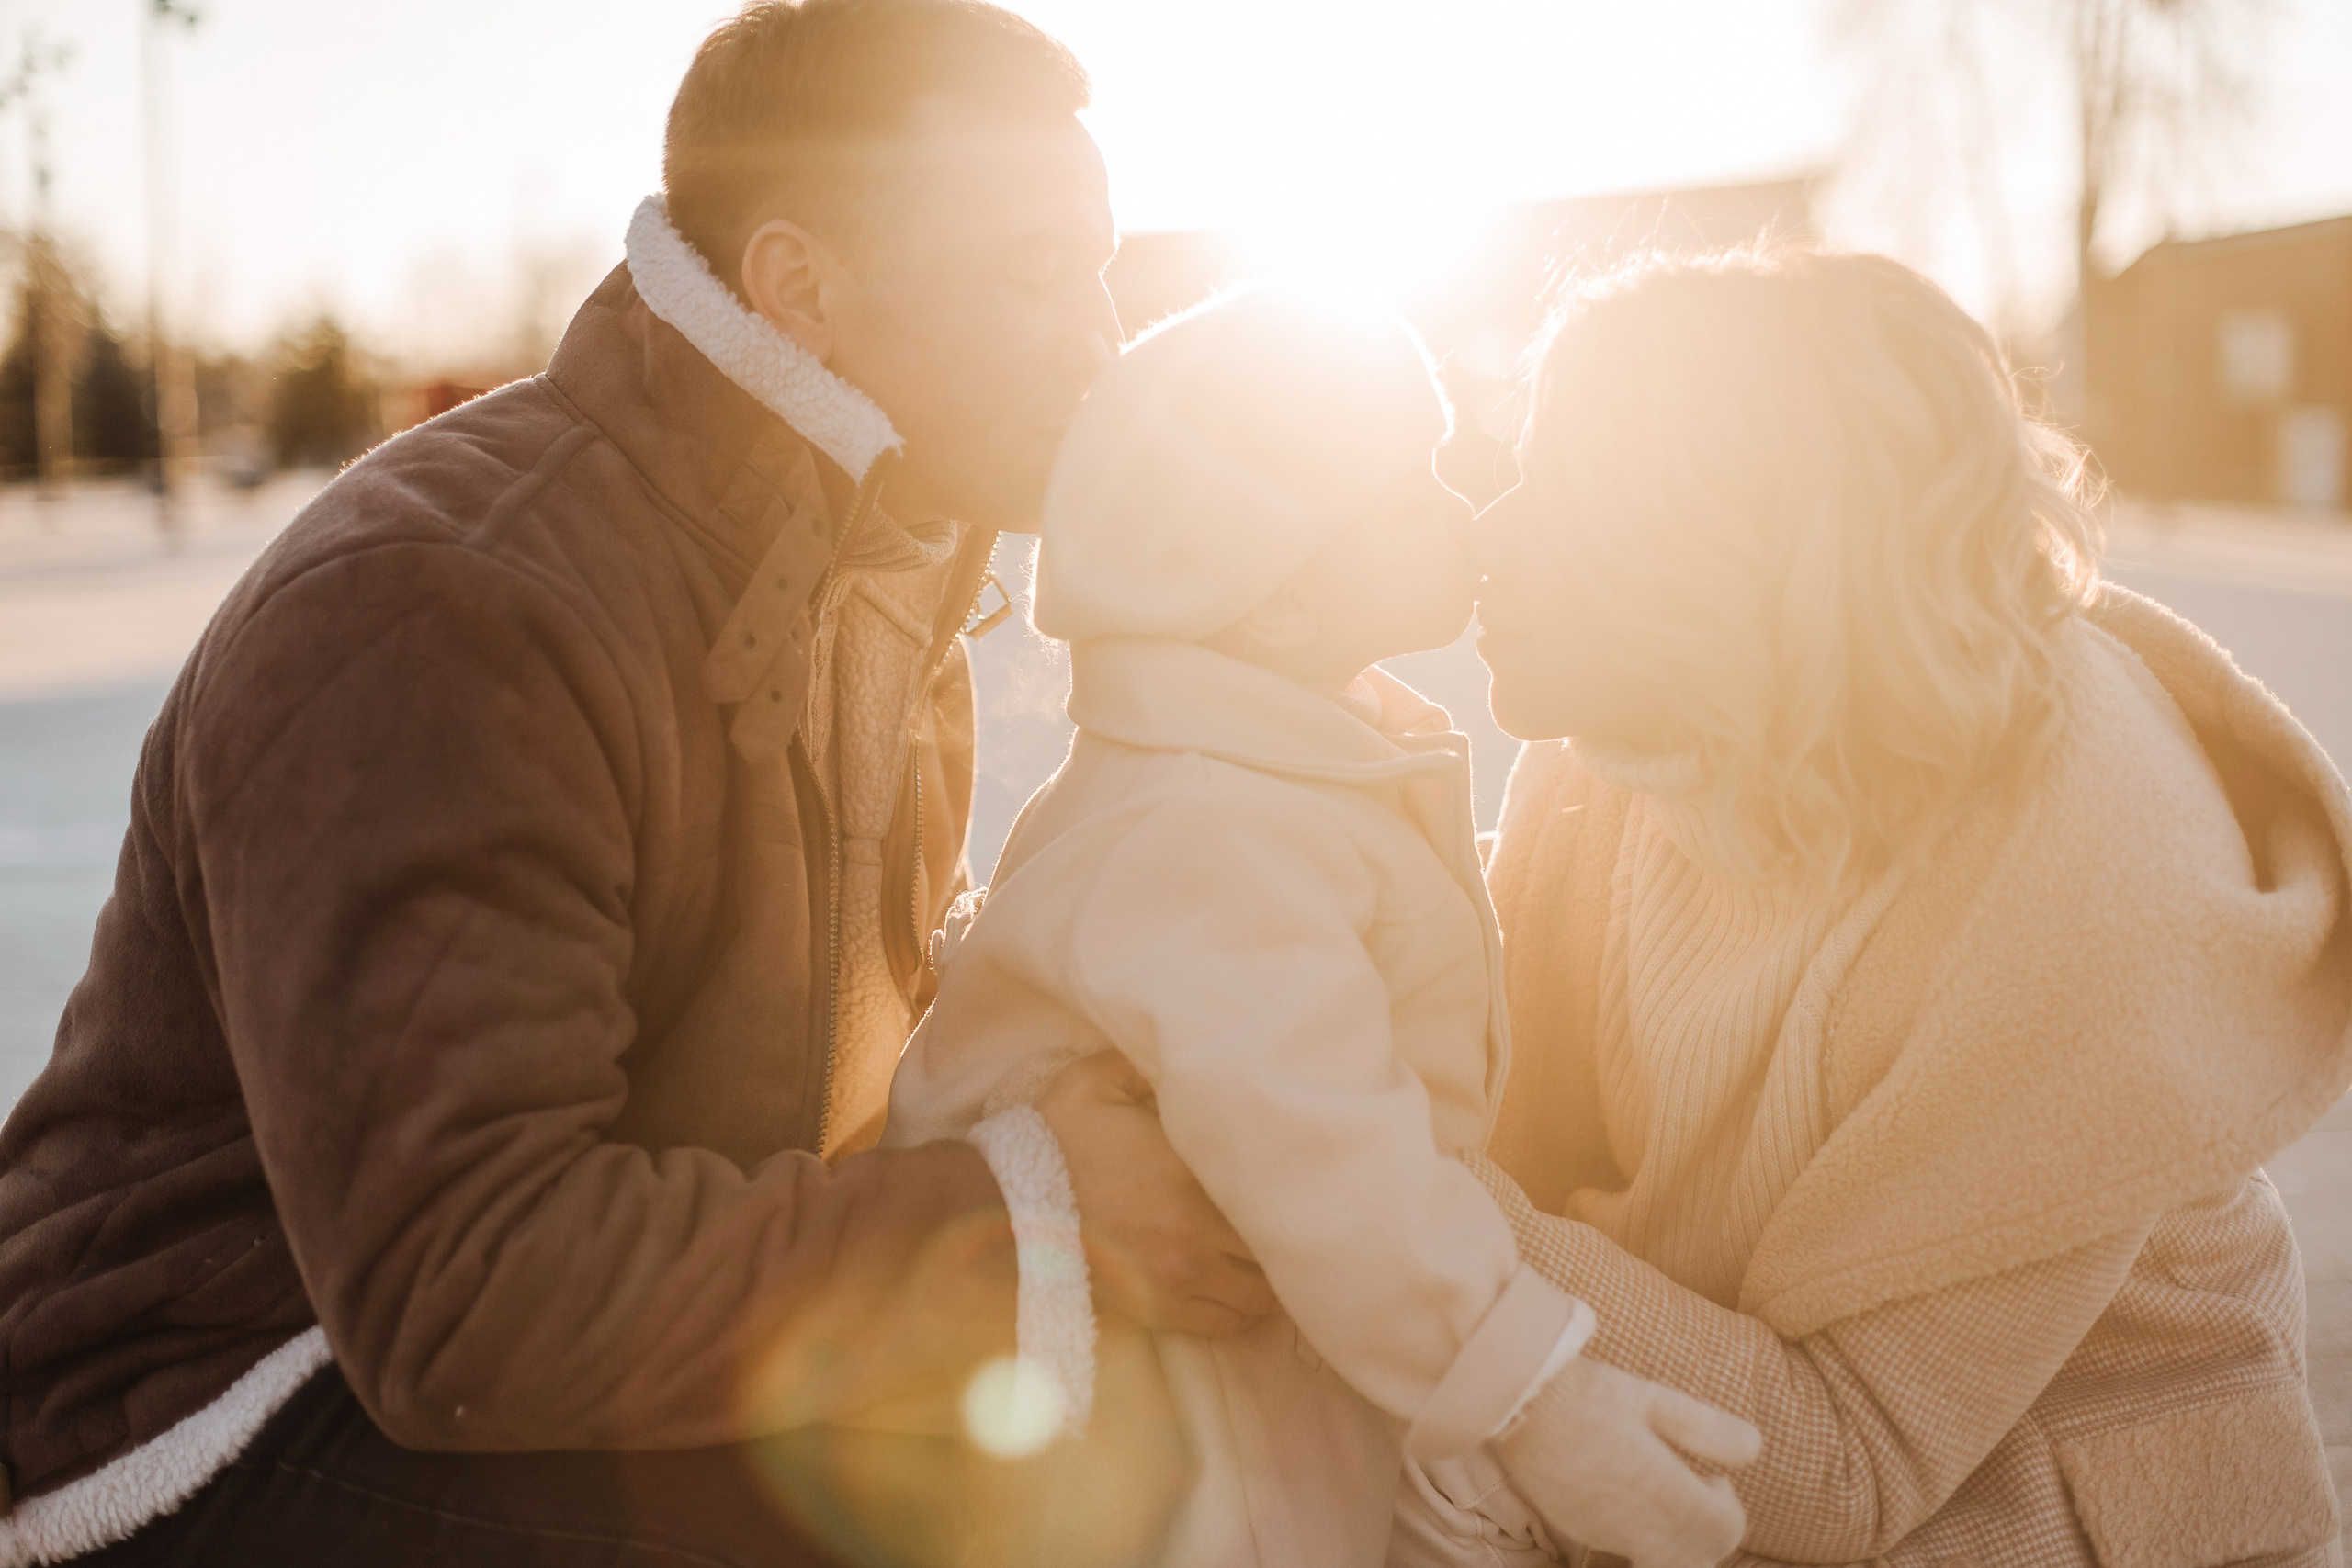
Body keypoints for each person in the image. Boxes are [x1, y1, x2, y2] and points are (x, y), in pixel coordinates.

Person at [0, 4, 1273, 1563]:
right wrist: (1038, 1227)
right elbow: (468, 1290)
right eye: (1030, 273)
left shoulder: (869, 564)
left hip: (508, 1339)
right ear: (801, 290)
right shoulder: (451, 609)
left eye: (1099, 267)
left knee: (1127, 1455)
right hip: (220, 1408)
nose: (1100, 339)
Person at [1453, 246, 2351, 1567]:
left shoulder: (2088, 889)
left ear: (1731, 540)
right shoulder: (1624, 749)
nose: (1488, 534)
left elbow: (1842, 1463)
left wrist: (1417, 1204)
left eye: (1563, 491)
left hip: (2045, 1515)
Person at [883, 287, 1760, 1568]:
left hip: (1252, 1349)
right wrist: (1533, 1396)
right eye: (1409, 498)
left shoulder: (1265, 753)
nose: (1462, 518)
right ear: (1277, 600)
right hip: (1158, 1405)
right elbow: (1327, 1147)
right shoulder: (1209, 823)